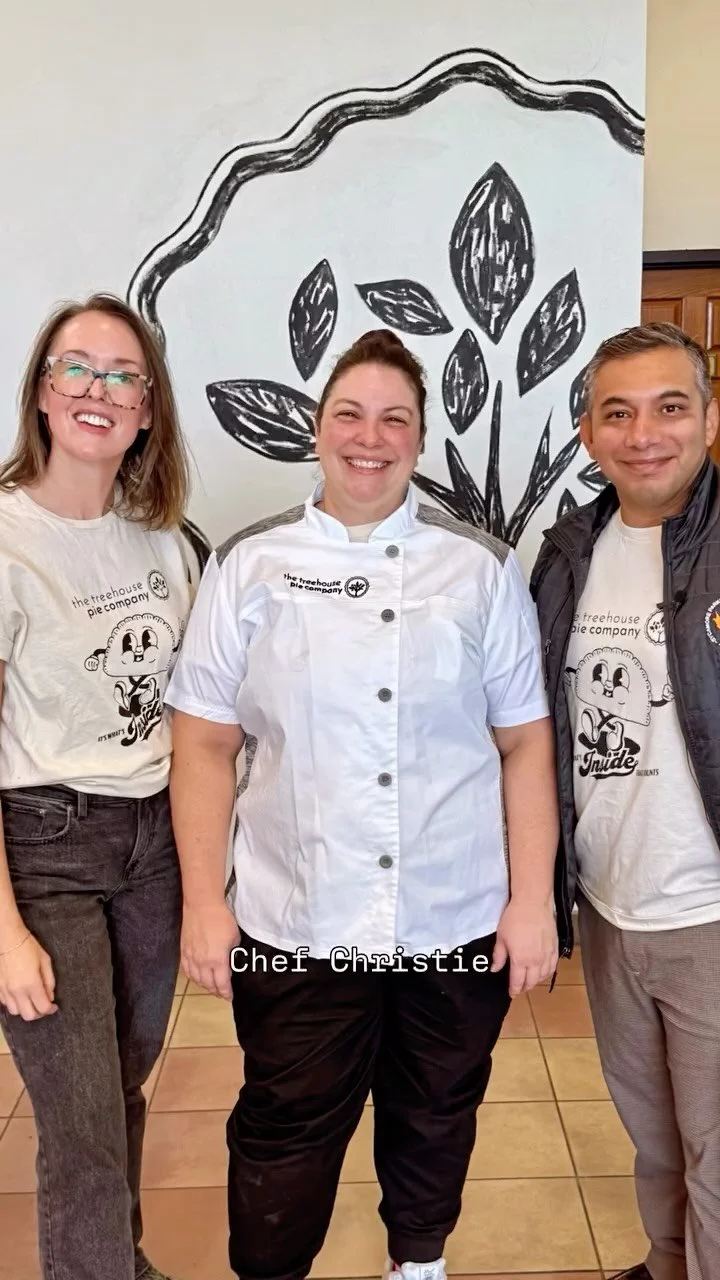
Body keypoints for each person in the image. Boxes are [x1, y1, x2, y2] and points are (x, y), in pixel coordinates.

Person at [165, 328, 561, 1280]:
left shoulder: (480, 568)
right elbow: (205, 743)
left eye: (394, 419)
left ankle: (417, 1265)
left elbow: (524, 742)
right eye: (349, 414)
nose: (369, 437)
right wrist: (204, 902)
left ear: (419, 439)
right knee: (284, 1124)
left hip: (454, 911)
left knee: (438, 1109)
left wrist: (531, 900)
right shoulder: (250, 564)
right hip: (297, 915)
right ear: (318, 428)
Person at [0, 293, 194, 1280]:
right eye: (76, 367)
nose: (98, 389)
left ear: (147, 409)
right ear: (42, 391)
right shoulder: (6, 537)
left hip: (155, 843)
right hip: (46, 848)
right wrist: (3, 930)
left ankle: (117, 1257)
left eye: (123, 375)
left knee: (117, 1082)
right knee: (80, 1121)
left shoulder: (165, 538)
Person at [530, 321, 720, 1280]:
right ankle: (667, 1261)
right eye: (618, 413)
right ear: (589, 432)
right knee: (654, 1135)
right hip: (609, 907)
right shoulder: (568, 551)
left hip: (709, 914)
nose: (644, 434)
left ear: (709, 419)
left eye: (670, 407)